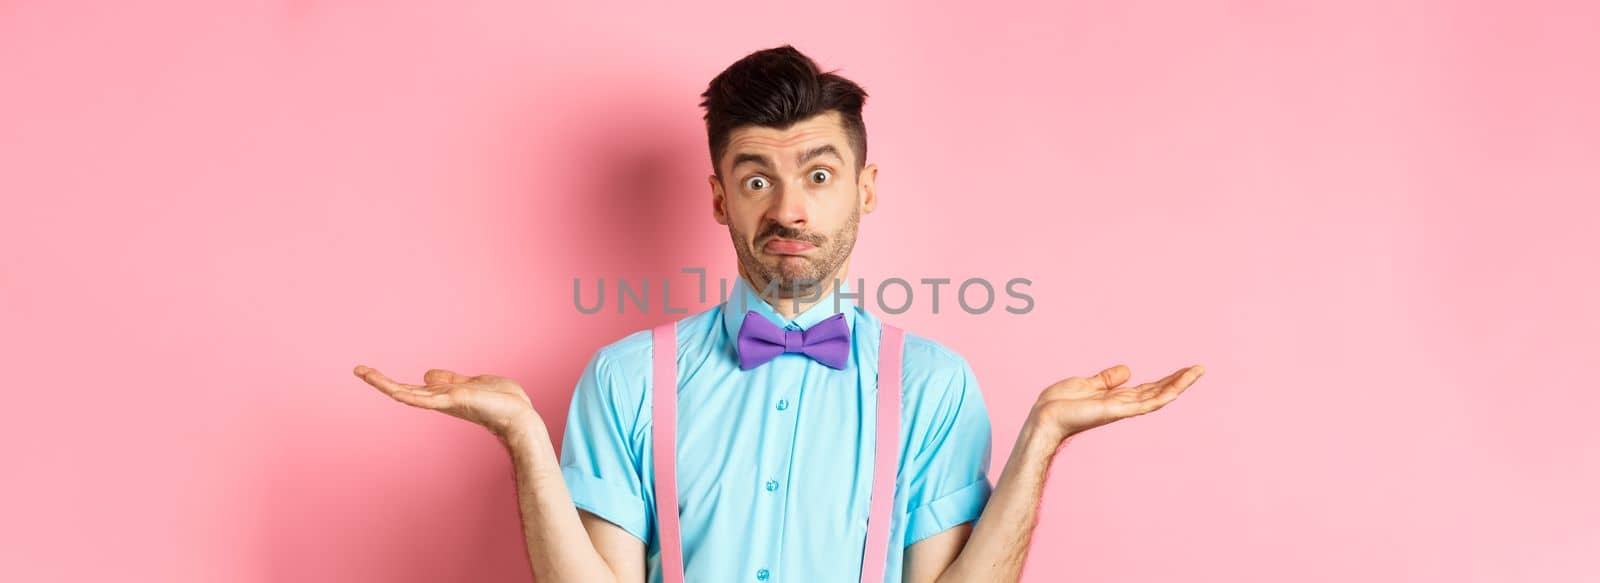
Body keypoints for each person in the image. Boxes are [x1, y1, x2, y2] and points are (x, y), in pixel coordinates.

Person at [352, 44, 1204, 583]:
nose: (790, 209)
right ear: (720, 198)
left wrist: (1041, 438)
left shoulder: (936, 386)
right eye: (758, 177)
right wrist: (522, 437)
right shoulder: (624, 378)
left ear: (865, 191)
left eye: (820, 176)